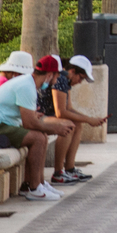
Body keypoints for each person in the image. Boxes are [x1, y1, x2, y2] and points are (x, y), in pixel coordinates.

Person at [0, 53, 74, 201]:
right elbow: (29, 124)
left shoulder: (29, 84)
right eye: (56, 77)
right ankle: (35, 188)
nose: (56, 81)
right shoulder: (27, 86)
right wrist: (56, 129)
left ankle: (36, 184)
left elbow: (29, 117)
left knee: (42, 136)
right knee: (38, 138)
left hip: (6, 124)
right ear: (49, 75)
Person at [41, 55, 106, 186]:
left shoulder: (66, 82)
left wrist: (89, 119)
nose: (80, 82)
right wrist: (89, 119)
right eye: (81, 78)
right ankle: (58, 173)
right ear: (72, 71)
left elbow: (69, 108)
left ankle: (69, 169)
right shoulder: (61, 80)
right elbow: (61, 112)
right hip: (39, 116)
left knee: (77, 124)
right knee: (68, 126)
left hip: (47, 115)